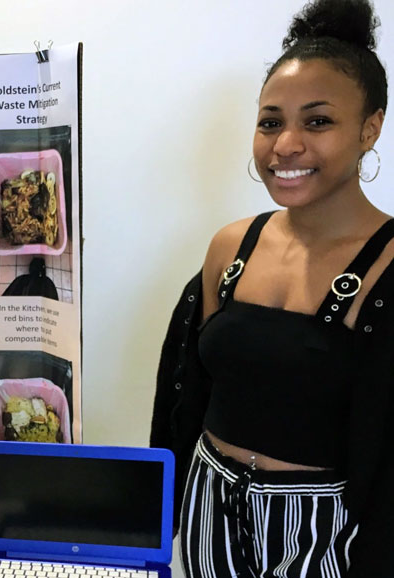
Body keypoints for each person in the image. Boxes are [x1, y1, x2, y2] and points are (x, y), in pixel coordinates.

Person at [150, 0, 394, 576]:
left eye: (317, 121)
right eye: (270, 121)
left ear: (369, 128)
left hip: (328, 531)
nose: (285, 145)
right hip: (211, 502)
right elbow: (185, 393)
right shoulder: (231, 247)